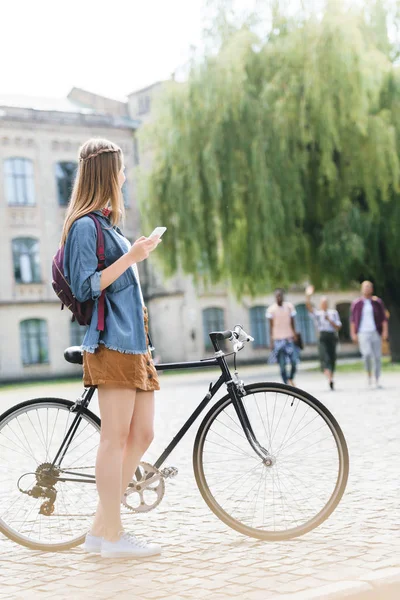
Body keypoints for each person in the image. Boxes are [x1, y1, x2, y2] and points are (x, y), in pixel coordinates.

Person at [62, 138, 162, 559]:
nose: (124, 176)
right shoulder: (85, 226)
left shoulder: (107, 226)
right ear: (106, 173)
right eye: (120, 170)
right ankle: (114, 537)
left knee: (142, 434)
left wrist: (132, 250)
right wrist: (133, 256)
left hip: (135, 345)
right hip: (111, 344)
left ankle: (100, 532)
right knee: (114, 439)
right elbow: (86, 284)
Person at [350, 281, 389, 389]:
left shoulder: (377, 302)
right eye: (365, 287)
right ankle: (368, 375)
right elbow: (352, 320)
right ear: (362, 289)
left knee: (377, 356)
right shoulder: (357, 303)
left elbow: (383, 319)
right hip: (363, 332)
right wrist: (353, 333)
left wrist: (385, 331)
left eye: (369, 287)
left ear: (372, 289)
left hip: (375, 332)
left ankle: (377, 379)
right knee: (366, 354)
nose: (367, 289)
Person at [305, 285, 342, 390]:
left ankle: (331, 377)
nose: (324, 305)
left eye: (326, 303)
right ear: (321, 304)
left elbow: (338, 326)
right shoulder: (318, 314)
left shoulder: (333, 313)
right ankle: (329, 378)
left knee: (332, 357)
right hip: (322, 336)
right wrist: (308, 296)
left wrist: (330, 320)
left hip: (332, 336)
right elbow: (309, 307)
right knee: (324, 357)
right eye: (322, 303)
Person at [267, 289, 300, 385]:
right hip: (278, 340)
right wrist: (271, 341)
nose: (279, 298)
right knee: (282, 365)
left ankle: (290, 378)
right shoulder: (271, 310)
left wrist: (294, 334)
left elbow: (293, 322)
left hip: (289, 338)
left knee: (294, 361)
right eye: (277, 296)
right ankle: (286, 383)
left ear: (283, 296)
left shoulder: (289, 307)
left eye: (280, 296)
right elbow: (271, 327)